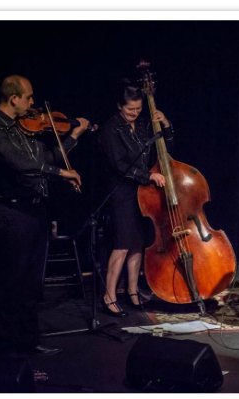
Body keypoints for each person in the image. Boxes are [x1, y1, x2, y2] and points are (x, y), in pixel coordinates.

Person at [0, 75, 91, 357]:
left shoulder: (25, 129)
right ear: (14, 98)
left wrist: (73, 137)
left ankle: (28, 341)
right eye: (29, 97)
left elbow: (49, 158)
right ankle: (7, 347)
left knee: (32, 284)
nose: (33, 104)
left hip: (35, 209)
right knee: (13, 281)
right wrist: (60, 173)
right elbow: (21, 164)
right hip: (12, 211)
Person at [98, 82, 174, 317]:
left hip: (142, 193)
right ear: (120, 106)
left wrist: (166, 125)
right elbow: (121, 165)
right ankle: (109, 295)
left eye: (139, 109)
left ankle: (132, 291)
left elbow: (163, 148)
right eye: (130, 110)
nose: (135, 114)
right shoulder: (111, 130)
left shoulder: (141, 126)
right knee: (122, 245)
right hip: (121, 193)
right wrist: (148, 176)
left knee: (138, 244)